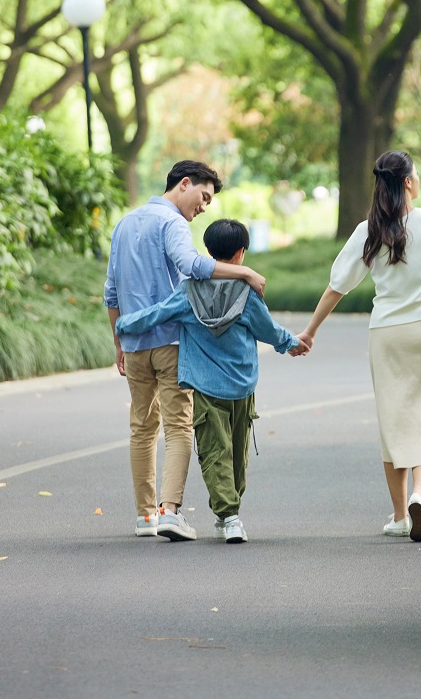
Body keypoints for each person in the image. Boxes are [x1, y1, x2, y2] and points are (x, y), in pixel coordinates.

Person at [297, 151, 421, 543]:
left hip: (387, 333)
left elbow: (337, 286)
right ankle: (419, 496)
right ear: (408, 182)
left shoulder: (369, 230)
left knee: (393, 421)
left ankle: (398, 515)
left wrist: (310, 331)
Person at [104, 161, 267, 542]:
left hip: (135, 345)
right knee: (178, 427)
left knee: (141, 429)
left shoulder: (124, 224)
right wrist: (244, 273)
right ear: (185, 183)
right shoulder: (172, 222)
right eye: (204, 196)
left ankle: (145, 515)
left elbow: (111, 292)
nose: (204, 207)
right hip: (172, 344)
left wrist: (118, 342)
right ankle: (169, 512)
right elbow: (192, 266)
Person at [114, 219, 304, 544]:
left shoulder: (189, 293)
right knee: (238, 452)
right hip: (243, 387)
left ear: (208, 253)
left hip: (204, 387)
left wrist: (123, 324)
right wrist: (292, 343)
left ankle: (227, 516)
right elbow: (268, 331)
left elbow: (157, 313)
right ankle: (229, 515)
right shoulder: (247, 293)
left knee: (216, 452)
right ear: (241, 253)